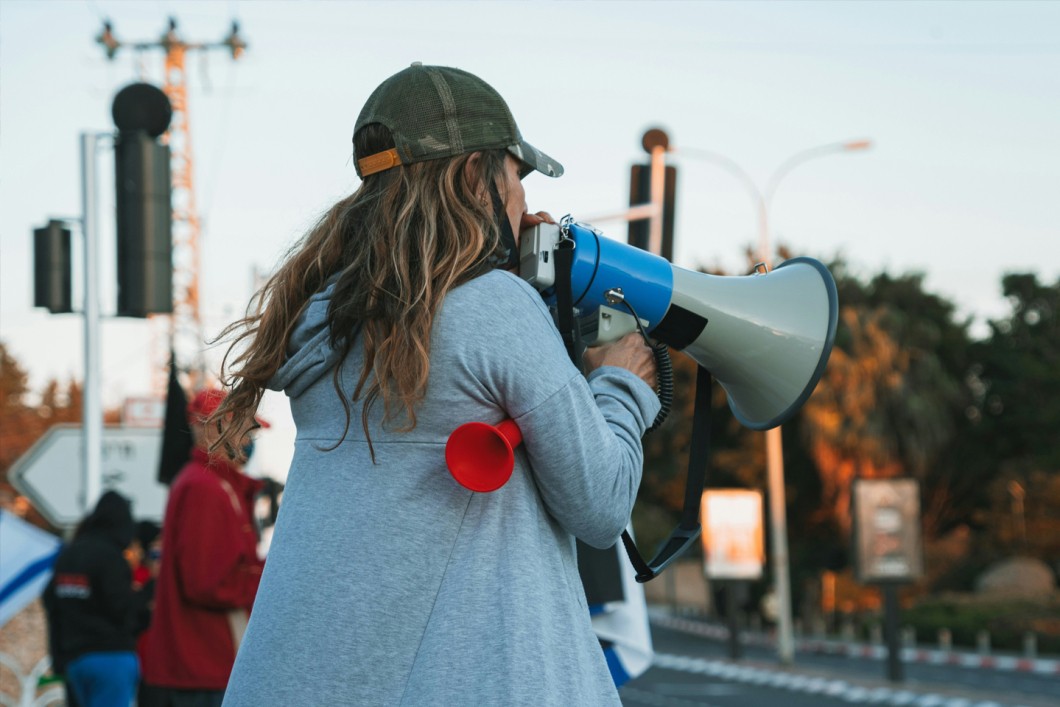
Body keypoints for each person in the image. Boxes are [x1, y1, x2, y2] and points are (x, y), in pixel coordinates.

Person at [216, 63, 659, 706]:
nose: (523, 202)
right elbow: (600, 503)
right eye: (514, 175)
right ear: (472, 176)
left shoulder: (320, 315)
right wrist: (621, 384)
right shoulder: (492, 309)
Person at [139, 388, 266, 707]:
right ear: (219, 427)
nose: (251, 440)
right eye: (247, 428)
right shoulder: (206, 487)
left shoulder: (209, 484)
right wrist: (271, 578)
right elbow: (208, 582)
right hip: (205, 667)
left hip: (203, 667)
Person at [43, 490, 146, 707]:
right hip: (111, 658)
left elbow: (52, 605)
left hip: (75, 659)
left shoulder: (69, 555)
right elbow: (122, 608)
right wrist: (147, 598)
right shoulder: (110, 557)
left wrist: (58, 656)